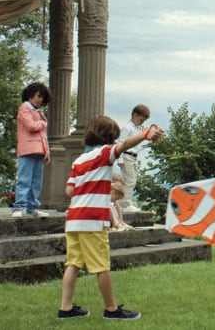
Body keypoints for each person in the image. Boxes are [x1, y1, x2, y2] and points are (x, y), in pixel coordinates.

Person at [58, 115, 163, 320]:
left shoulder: (79, 160)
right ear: (108, 137)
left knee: (73, 263)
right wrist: (146, 134)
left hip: (73, 218)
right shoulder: (104, 153)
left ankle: (66, 308)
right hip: (92, 219)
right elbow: (124, 146)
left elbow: (69, 190)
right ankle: (112, 309)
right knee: (101, 266)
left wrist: (88, 187)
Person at [12, 82, 51, 218]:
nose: (40, 100)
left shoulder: (38, 111)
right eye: (39, 96)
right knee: (24, 179)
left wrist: (47, 152)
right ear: (30, 94)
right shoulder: (25, 108)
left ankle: (32, 207)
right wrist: (43, 123)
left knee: (36, 182)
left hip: (39, 150)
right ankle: (19, 207)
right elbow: (31, 126)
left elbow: (43, 135)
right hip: (28, 149)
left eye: (43, 98)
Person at [114, 105, 151, 214]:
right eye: (141, 120)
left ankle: (125, 202)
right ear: (135, 115)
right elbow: (120, 143)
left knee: (132, 180)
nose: (142, 122)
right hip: (127, 155)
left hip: (134, 157)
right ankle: (125, 203)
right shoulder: (127, 127)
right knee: (129, 180)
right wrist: (120, 159)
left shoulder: (137, 128)